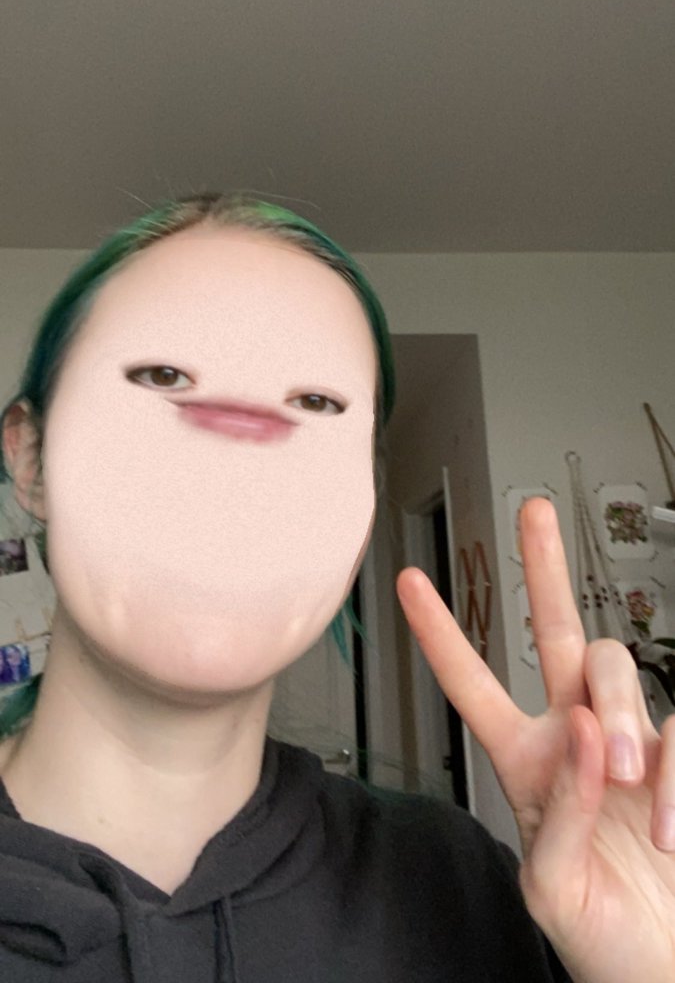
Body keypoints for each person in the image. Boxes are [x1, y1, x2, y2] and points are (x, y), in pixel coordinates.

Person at [0, 191, 671, 982]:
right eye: (161, 374)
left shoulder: (462, 882)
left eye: (315, 402)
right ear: (31, 458)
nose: (234, 461)